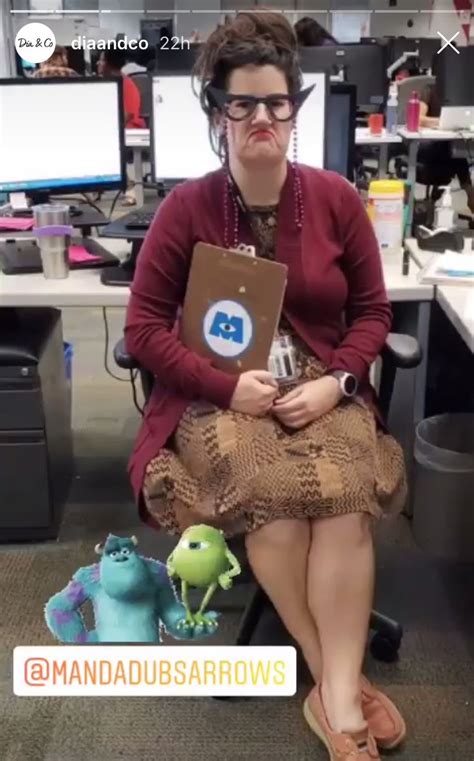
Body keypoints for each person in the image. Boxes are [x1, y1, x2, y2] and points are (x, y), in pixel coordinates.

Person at [124, 11, 407, 761]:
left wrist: (341, 380)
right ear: (218, 114)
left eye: (275, 104)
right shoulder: (187, 209)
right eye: (241, 104)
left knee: (344, 490)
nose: (260, 118)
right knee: (271, 498)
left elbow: (374, 311)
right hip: (220, 393)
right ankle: (339, 687)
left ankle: (333, 691)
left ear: (295, 110)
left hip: (319, 384)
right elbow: (143, 329)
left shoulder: (337, 199)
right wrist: (220, 385)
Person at [97, 48, 146, 206]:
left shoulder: (124, 82)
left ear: (109, 64)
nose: (98, 63)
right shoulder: (108, 82)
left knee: (110, 143)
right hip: (118, 127)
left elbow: (128, 114)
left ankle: (130, 186)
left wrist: (108, 129)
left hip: (130, 128)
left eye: (102, 60)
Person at [418, 84, 474, 213]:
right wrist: (442, 122)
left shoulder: (464, 90)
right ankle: (470, 191)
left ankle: (469, 191)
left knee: (454, 147)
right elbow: (420, 119)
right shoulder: (429, 90)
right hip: (426, 144)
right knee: (451, 148)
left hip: (449, 147)